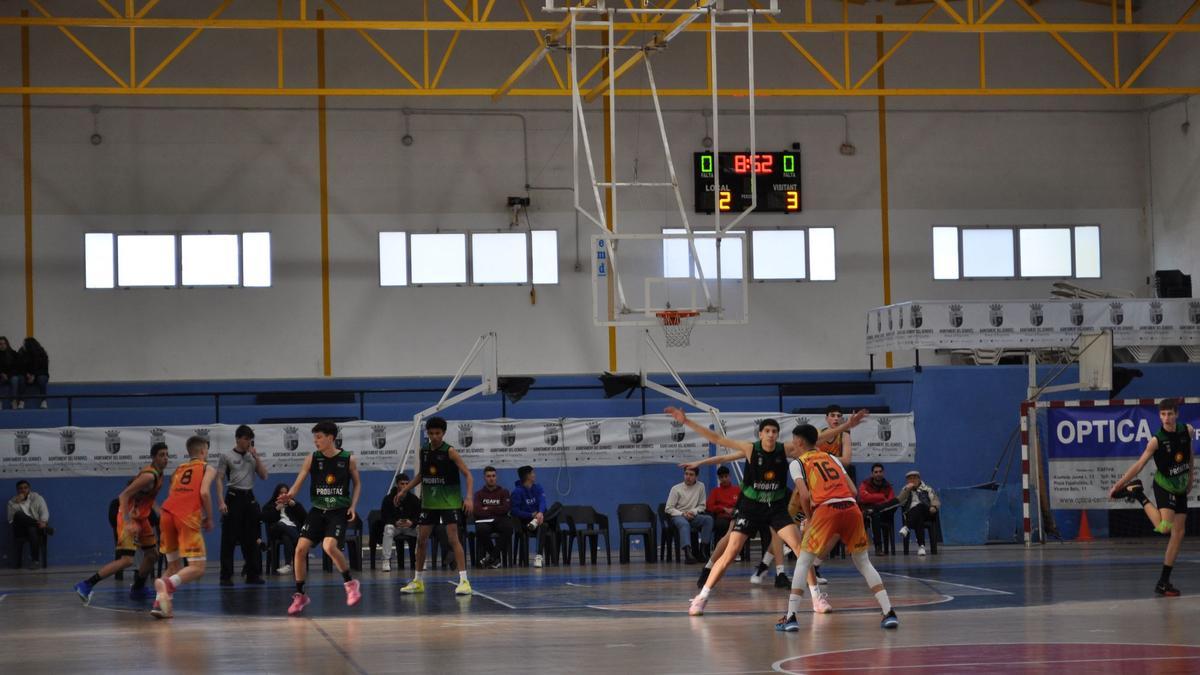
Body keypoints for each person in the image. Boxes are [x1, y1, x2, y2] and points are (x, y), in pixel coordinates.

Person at [672, 406, 867, 616]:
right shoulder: (750, 448)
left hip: (775, 507)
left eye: (774, 431)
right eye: (767, 431)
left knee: (802, 550)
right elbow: (717, 438)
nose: (771, 435)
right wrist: (686, 422)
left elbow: (818, 437)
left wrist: (847, 426)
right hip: (751, 507)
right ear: (761, 434)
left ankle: (817, 598)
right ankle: (702, 598)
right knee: (730, 552)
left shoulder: (784, 450)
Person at [781, 422, 899, 631]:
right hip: (851, 508)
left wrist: (809, 518)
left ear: (799, 441)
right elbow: (853, 490)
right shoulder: (832, 458)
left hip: (826, 510)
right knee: (863, 562)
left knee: (803, 562)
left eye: (792, 441)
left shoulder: (797, 463)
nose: (791, 445)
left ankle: (790, 617)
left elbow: (805, 495)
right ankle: (888, 612)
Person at [1109, 398, 1194, 597]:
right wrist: (1118, 485)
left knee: (1178, 534)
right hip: (1164, 485)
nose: (1167, 418)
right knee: (1165, 528)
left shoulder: (1187, 430)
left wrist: (1191, 478)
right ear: (1159, 416)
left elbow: (1189, 454)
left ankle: (1163, 582)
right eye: (1163, 414)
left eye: (1170, 414)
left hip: (1180, 486)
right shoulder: (1156, 440)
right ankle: (1138, 494)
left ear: (1177, 414)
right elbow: (1139, 465)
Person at [279, 421, 363, 615]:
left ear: (330, 438)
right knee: (300, 549)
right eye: (314, 437)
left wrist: (353, 506)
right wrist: (289, 495)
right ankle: (300, 595)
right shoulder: (312, 459)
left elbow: (357, 484)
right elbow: (299, 481)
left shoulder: (348, 459)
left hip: (338, 511)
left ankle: (350, 584)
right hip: (317, 510)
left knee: (329, 546)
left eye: (319, 437)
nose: (316, 441)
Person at [75, 442, 169, 604]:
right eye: (161, 455)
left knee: (152, 554)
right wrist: (127, 522)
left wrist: (162, 514)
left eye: (167, 455)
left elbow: (149, 499)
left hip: (141, 518)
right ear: (153, 457)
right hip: (128, 517)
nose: (165, 458)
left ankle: (138, 589)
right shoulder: (149, 475)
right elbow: (123, 496)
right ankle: (86, 584)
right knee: (127, 560)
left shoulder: (159, 475)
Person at [396, 417, 474, 594]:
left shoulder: (450, 451)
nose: (434, 436)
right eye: (431, 433)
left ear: (443, 433)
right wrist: (404, 490)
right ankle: (418, 581)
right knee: (421, 540)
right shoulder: (424, 451)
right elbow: (422, 475)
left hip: (449, 502)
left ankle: (464, 581)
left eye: (437, 433)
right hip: (429, 503)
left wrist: (469, 498)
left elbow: (468, 475)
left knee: (453, 539)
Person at [151, 436, 216, 619]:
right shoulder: (207, 467)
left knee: (173, 566)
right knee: (198, 567)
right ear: (203, 451)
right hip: (187, 516)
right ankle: (170, 584)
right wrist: (209, 517)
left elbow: (174, 493)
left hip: (167, 514)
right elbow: (204, 492)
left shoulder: (179, 469)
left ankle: (159, 605)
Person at [215, 424, 269, 585]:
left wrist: (256, 457)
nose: (247, 442)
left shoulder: (252, 457)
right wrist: (221, 501)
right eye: (245, 439)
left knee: (252, 537)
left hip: (249, 497)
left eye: (250, 440)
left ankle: (252, 573)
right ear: (238, 438)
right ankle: (226, 575)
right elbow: (219, 478)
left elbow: (264, 476)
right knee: (229, 538)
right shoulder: (227, 456)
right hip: (233, 496)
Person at [665, 466, 713, 564]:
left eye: (691, 475)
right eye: (686, 474)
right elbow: (668, 508)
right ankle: (688, 553)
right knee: (684, 524)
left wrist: (693, 512)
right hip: (678, 516)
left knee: (708, 519)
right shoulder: (676, 488)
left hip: (693, 515)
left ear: (696, 476)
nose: (688, 477)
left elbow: (702, 506)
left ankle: (702, 551)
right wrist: (683, 514)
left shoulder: (701, 486)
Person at [262, 483, 306, 575]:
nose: (283, 495)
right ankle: (300, 543)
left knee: (286, 537)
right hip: (276, 531)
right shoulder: (270, 505)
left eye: (285, 493)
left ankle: (288, 565)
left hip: (290, 531)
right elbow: (265, 517)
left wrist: (295, 505)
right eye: (280, 493)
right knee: (281, 524)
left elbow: (304, 517)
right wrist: (276, 509)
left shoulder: (292, 504)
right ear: (276, 494)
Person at [473, 466, 512, 569]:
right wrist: (496, 508)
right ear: (484, 478)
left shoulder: (504, 492)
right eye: (488, 476)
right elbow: (477, 511)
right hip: (485, 522)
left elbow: (506, 509)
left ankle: (491, 558)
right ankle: (495, 558)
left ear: (496, 477)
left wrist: (487, 508)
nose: (491, 478)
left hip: (500, 521)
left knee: (508, 527)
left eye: (493, 476)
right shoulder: (479, 494)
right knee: (481, 529)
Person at [379, 473, 420, 572]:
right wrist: (394, 522)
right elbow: (384, 516)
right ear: (397, 485)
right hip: (396, 527)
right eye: (402, 484)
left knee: (421, 530)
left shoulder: (414, 499)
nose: (405, 486)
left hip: (409, 528)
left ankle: (419, 559)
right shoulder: (388, 499)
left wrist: (412, 522)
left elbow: (419, 516)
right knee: (388, 529)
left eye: (407, 484)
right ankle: (386, 560)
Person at [510, 465, 549, 568]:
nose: (534, 475)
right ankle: (538, 556)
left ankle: (538, 556)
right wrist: (530, 515)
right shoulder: (517, 492)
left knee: (555, 508)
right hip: (525, 523)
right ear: (528, 476)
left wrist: (540, 513)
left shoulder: (538, 487)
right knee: (544, 524)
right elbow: (514, 511)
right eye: (532, 473)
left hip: (539, 519)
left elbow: (542, 501)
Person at [7, 479, 50, 569]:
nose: (23, 490)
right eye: (20, 488)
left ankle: (35, 561)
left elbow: (44, 511)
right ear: (17, 490)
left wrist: (44, 521)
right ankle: (39, 525)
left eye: (25, 488)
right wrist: (16, 503)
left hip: (35, 529)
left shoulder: (37, 498)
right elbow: (10, 519)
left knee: (31, 529)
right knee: (18, 514)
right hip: (20, 530)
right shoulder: (11, 502)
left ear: (29, 489)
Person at [897, 470, 941, 557]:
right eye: (910, 479)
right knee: (918, 518)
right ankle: (921, 546)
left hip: (926, 512)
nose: (912, 480)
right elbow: (899, 501)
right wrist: (906, 490)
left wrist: (934, 507)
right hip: (912, 515)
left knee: (920, 506)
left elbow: (935, 500)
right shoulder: (905, 489)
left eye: (914, 478)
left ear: (919, 479)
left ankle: (906, 527)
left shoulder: (927, 488)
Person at [858, 463, 900, 555]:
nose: (878, 474)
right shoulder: (865, 483)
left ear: (883, 473)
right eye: (876, 472)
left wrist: (874, 500)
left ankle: (875, 509)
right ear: (872, 474)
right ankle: (878, 547)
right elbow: (864, 497)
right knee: (874, 515)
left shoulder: (888, 486)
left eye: (880, 472)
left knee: (895, 502)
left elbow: (890, 501)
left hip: (884, 513)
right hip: (869, 513)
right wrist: (881, 497)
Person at [818, 404, 854, 482]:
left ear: (841, 419)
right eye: (833, 415)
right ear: (826, 418)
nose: (836, 418)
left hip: (837, 476)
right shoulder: (819, 435)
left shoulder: (844, 435)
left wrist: (822, 458)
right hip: (820, 475)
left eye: (839, 416)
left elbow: (846, 461)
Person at [706, 466, 739, 545]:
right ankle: (719, 550)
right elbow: (709, 506)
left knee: (741, 525)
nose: (724, 479)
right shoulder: (715, 491)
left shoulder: (737, 490)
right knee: (721, 524)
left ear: (730, 476)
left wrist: (734, 509)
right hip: (722, 517)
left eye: (726, 476)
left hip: (736, 516)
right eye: (721, 477)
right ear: (719, 478)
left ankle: (739, 552)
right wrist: (723, 509)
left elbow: (743, 504)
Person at [16, 337, 49, 409]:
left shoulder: (42, 354)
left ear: (29, 345)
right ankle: (21, 401)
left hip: (38, 375)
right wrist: (27, 374)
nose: (22, 346)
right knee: (20, 378)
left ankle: (44, 400)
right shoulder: (21, 352)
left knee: (42, 378)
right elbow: (19, 367)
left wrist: (34, 375)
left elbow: (44, 369)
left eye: (24, 344)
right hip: (26, 375)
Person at [0, 337, 19, 409]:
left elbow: (16, 368)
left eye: (4, 344)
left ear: (7, 344)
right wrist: (1, 374)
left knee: (15, 379)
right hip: (1, 376)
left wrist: (8, 375)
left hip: (11, 376)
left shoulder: (13, 353)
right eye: (0, 344)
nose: (2, 345)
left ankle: (14, 401)